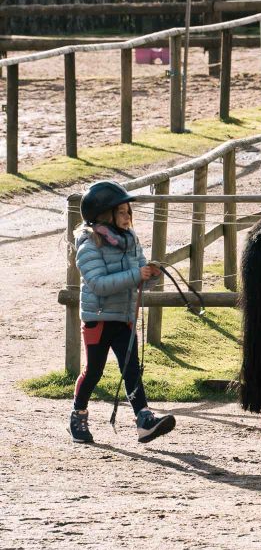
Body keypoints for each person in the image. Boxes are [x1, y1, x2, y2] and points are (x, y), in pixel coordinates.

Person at [69, 180, 176, 446]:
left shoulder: (131, 241)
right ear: (105, 215)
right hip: (98, 319)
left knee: (131, 370)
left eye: (129, 212)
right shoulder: (88, 245)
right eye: (122, 212)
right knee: (94, 371)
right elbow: (98, 284)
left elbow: (139, 279)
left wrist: (151, 275)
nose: (128, 217)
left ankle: (144, 420)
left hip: (125, 317)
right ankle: (78, 415)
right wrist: (136, 274)